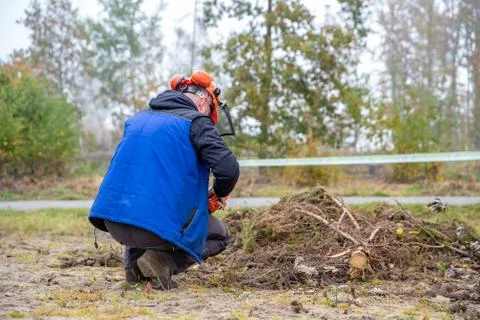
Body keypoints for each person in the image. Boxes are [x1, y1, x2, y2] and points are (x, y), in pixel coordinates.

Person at [89, 70, 240, 290]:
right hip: (150, 227)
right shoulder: (196, 122)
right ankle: (161, 263)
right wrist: (218, 193)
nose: (208, 118)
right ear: (203, 100)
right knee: (219, 235)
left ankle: (134, 270)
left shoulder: (137, 120)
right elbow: (229, 169)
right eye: (209, 111)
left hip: (113, 222)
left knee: (142, 205)